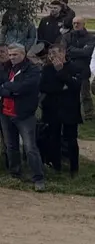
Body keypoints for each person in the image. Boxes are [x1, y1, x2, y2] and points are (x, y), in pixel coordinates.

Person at [0, 43, 46, 191]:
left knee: (30, 147)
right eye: (10, 55)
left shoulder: (32, 70)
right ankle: (15, 173)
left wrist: (6, 86)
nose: (11, 57)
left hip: (24, 114)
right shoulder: (5, 67)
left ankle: (38, 178)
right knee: (11, 145)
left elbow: (26, 87)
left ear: (23, 54)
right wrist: (8, 91)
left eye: (15, 55)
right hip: (5, 112)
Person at [40, 44, 82, 178]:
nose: (52, 56)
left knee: (71, 140)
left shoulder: (74, 67)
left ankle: (74, 168)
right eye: (50, 54)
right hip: (52, 109)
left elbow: (75, 86)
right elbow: (43, 87)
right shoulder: (46, 69)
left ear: (63, 53)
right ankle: (55, 165)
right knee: (53, 138)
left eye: (55, 53)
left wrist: (61, 72)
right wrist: (61, 88)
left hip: (69, 109)